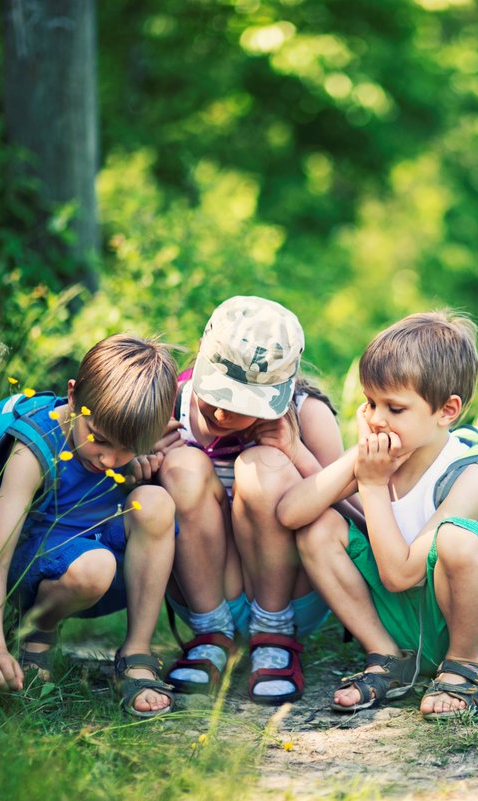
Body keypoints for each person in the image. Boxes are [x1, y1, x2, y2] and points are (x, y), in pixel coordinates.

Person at [278, 310, 478, 719]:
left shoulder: (469, 476)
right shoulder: (379, 454)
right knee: (317, 527)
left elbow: (401, 573)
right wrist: (357, 461)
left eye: (395, 408)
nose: (375, 419)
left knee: (456, 539)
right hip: (401, 618)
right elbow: (290, 513)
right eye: (370, 403)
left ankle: (464, 669)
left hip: (468, 622)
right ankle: (388, 657)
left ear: (446, 411)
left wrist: (371, 485)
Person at [0, 334, 180, 718]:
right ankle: (37, 629)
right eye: (98, 440)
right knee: (95, 566)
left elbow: (126, 473)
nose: (109, 459)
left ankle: (136, 652)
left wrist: (137, 473)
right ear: (72, 395)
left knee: (156, 502)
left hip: (100, 555)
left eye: (126, 449)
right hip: (37, 568)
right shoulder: (35, 447)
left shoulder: (126, 432)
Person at [156, 296, 349, 704]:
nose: (223, 415)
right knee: (182, 465)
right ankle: (211, 632)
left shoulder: (308, 413)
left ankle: (274, 633)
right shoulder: (170, 404)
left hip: (291, 595)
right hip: (204, 588)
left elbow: (351, 514)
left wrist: (295, 453)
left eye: (241, 405)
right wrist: (145, 461)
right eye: (217, 395)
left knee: (262, 465)